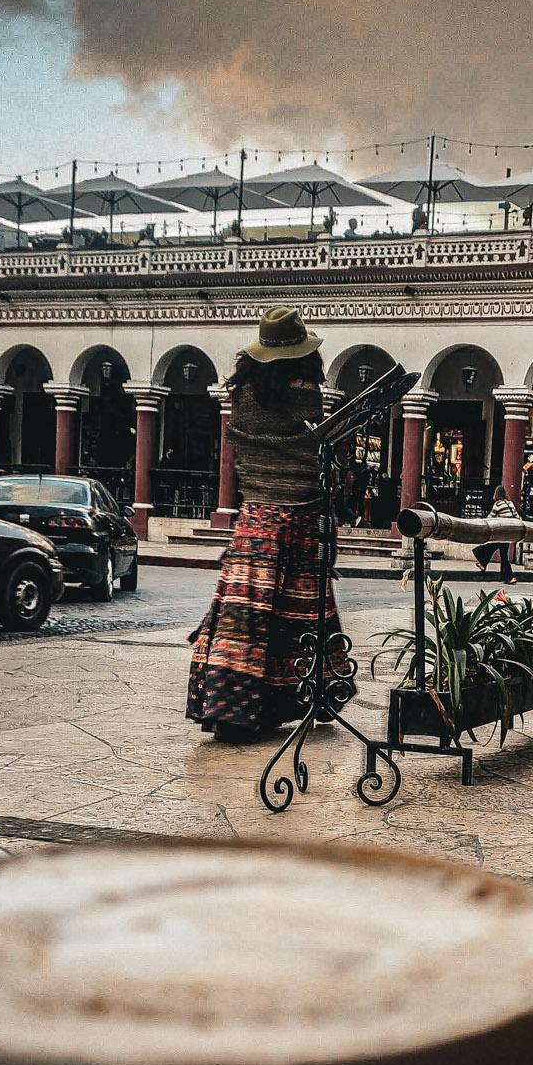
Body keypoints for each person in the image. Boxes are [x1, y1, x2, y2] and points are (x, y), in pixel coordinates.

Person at [186, 307, 339, 744]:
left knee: (243, 613)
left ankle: (230, 704)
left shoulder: (243, 398)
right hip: (302, 519)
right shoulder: (306, 396)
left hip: (256, 521)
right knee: (300, 612)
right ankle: (298, 696)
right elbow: (317, 453)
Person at [473, 485, 521, 583]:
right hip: (511, 531)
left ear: (496, 494)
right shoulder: (510, 503)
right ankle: (483, 563)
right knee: (495, 546)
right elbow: (516, 516)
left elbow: (490, 517)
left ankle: (510, 577)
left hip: (503, 531)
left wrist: (482, 523)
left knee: (502, 554)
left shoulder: (498, 504)